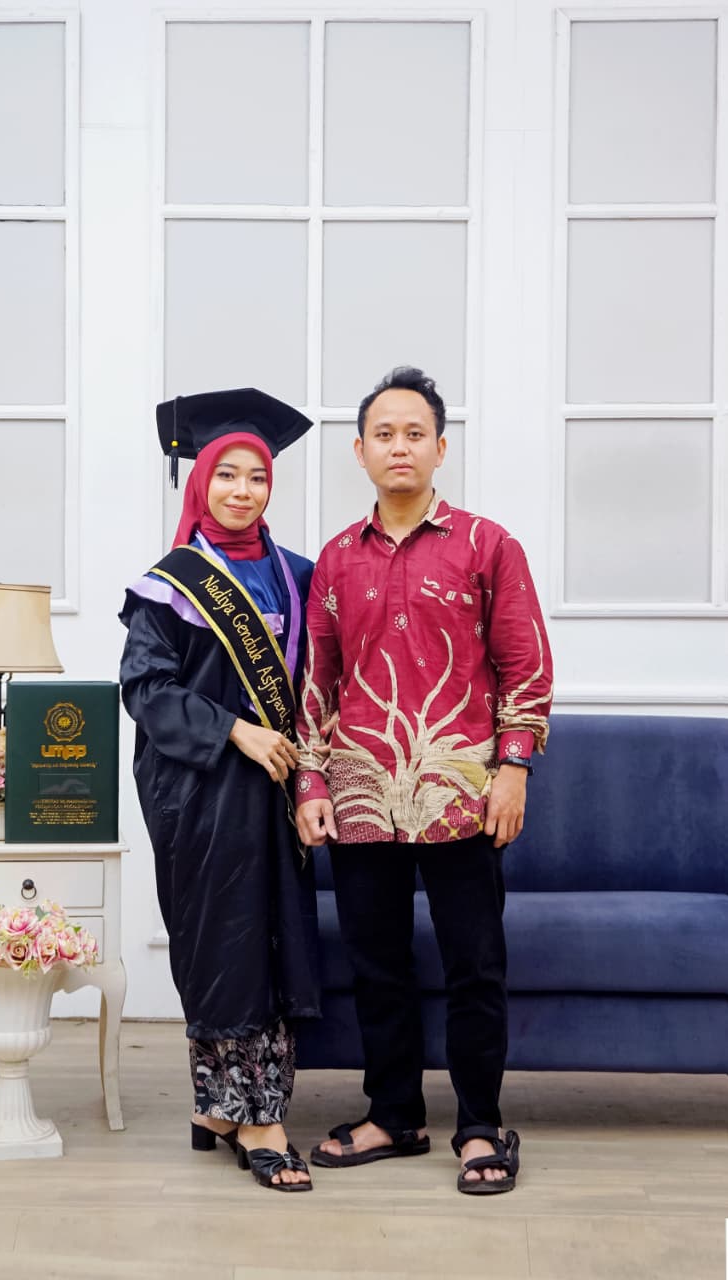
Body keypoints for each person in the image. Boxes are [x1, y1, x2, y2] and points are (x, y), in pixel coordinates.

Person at [295, 366, 553, 1195]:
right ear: (360, 452)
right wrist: (311, 784)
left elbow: (525, 667)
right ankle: (393, 1115)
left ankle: (479, 1127)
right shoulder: (335, 560)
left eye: (414, 433)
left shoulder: (487, 545)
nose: (398, 446)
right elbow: (317, 683)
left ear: (441, 449)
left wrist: (512, 768)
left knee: (474, 966)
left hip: (461, 794)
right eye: (383, 434)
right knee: (376, 966)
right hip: (361, 794)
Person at [119, 387, 321, 1192]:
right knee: (223, 944)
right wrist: (236, 730)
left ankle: (222, 1109)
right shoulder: (170, 583)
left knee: (271, 940)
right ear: (200, 481)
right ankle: (258, 1122)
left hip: (274, 788)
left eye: (257, 476)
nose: (243, 490)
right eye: (227, 475)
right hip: (200, 790)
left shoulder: (296, 575)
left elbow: (318, 686)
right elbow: (146, 689)